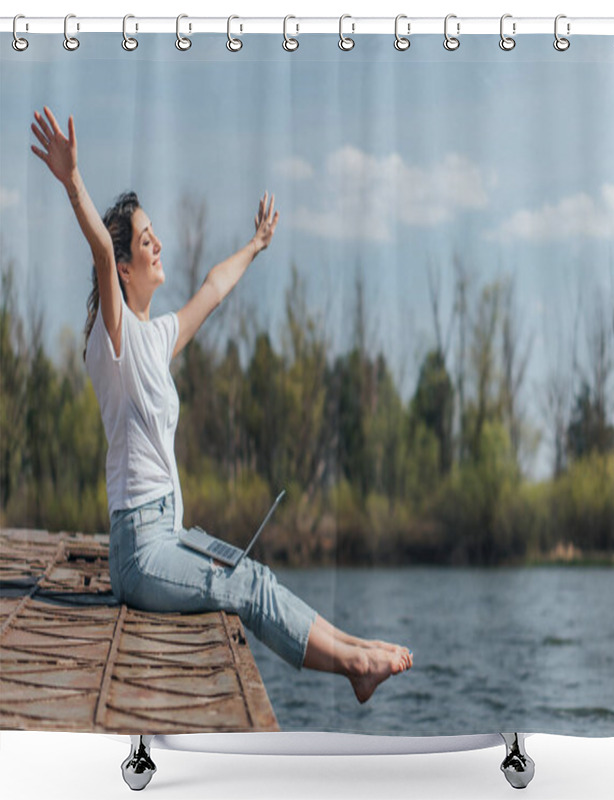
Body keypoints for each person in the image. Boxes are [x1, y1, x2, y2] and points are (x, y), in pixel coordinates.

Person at [30, 105, 412, 704]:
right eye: (146, 240)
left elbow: (211, 288)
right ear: (126, 269)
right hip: (141, 552)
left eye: (155, 235)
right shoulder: (116, 338)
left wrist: (256, 245)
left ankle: (354, 647)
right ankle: (353, 664)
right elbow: (102, 252)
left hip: (169, 533)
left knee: (256, 575)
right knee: (247, 588)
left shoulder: (156, 338)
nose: (158, 245)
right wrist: (72, 180)